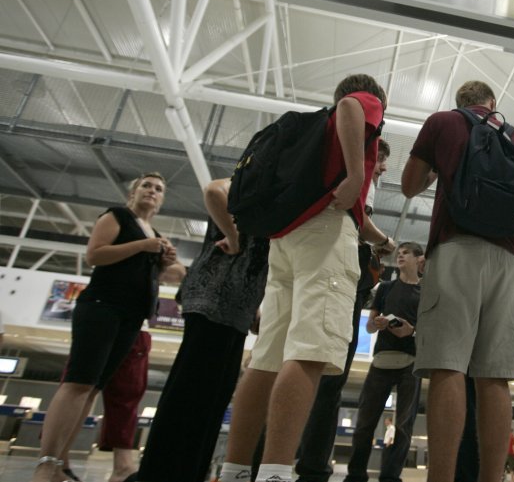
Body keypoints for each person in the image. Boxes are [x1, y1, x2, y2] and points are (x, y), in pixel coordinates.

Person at [218, 74, 391, 482]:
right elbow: (351, 104)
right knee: (310, 350)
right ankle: (276, 471)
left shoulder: (312, 146)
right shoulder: (362, 103)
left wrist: (382, 240)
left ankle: (236, 469)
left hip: (289, 237)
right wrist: (353, 174)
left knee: (267, 357)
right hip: (326, 237)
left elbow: (360, 220)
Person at [401, 80, 514, 482]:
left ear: (460, 102)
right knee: (495, 376)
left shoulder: (442, 122)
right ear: (492, 104)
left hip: (455, 248)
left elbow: (410, 184)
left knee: (448, 367)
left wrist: (440, 170)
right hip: (508, 261)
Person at [32, 172, 177, 482]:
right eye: (146, 186)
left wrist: (161, 265)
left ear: (163, 200)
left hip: (131, 317)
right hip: (101, 307)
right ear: (133, 192)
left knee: (92, 389)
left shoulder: (154, 233)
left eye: (158, 189)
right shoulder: (118, 216)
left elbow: (144, 275)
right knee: (78, 382)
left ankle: (59, 462)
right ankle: (45, 463)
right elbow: (95, 255)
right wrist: (142, 246)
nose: (152, 191)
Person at [130, 177, 269, 482]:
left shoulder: (279, 193)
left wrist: (253, 304)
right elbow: (213, 191)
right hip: (213, 295)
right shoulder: (256, 178)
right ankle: (161, 473)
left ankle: (190, 471)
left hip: (237, 306)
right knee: (191, 392)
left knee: (213, 397)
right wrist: (232, 237)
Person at [296, 140, 394, 482]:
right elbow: (357, 218)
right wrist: (384, 242)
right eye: (381, 160)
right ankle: (311, 465)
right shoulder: (355, 180)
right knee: (329, 376)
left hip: (330, 278)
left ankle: (297, 459)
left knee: (316, 374)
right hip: (336, 282)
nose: (382, 169)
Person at [344, 241, 425, 482]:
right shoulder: (385, 288)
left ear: (418, 259)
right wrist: (377, 323)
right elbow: (369, 326)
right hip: (381, 361)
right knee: (365, 423)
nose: (400, 256)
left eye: (406, 253)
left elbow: (429, 331)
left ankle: (391, 476)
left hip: (410, 363)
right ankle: (356, 474)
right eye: (399, 253)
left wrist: (411, 331)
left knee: (403, 425)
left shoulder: (426, 293)